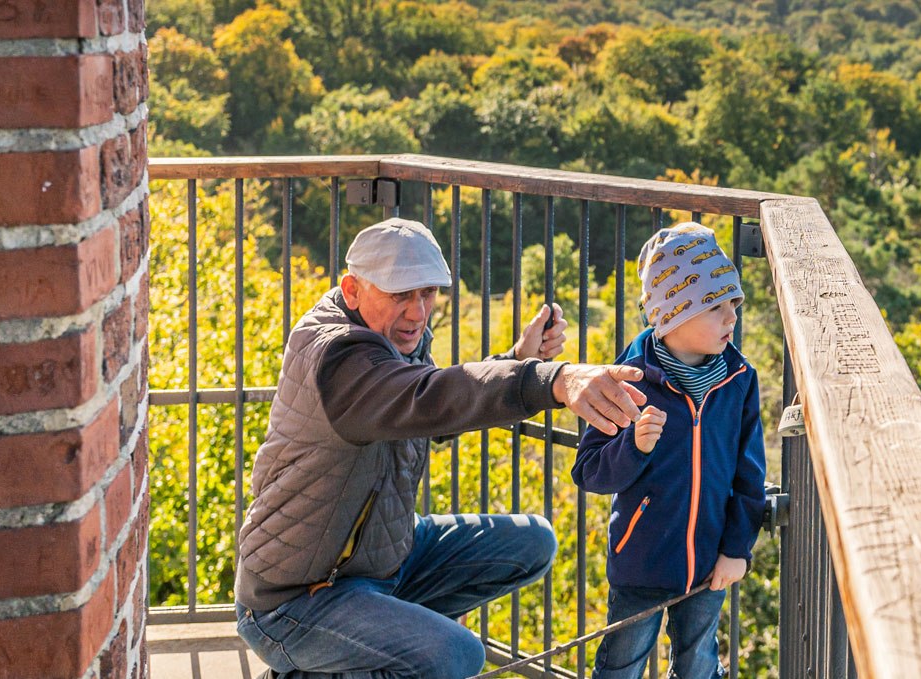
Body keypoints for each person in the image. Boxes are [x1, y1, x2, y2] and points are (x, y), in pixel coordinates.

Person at [234, 217, 649, 678]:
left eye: (427, 293)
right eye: (399, 295)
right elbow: (428, 397)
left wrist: (516, 360)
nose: (418, 311)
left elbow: (428, 417)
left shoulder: (395, 338)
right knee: (456, 655)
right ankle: (326, 661)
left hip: (378, 564)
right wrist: (553, 379)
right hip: (296, 599)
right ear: (352, 290)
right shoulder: (338, 356)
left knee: (532, 542)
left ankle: (370, 642)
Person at [572, 222, 768, 679]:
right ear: (673, 314)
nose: (732, 318)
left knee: (699, 665)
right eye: (716, 306)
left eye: (733, 304)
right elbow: (590, 471)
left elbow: (749, 474)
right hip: (640, 565)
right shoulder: (629, 378)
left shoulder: (739, 381)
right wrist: (633, 447)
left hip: (708, 566)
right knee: (620, 667)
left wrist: (736, 549)